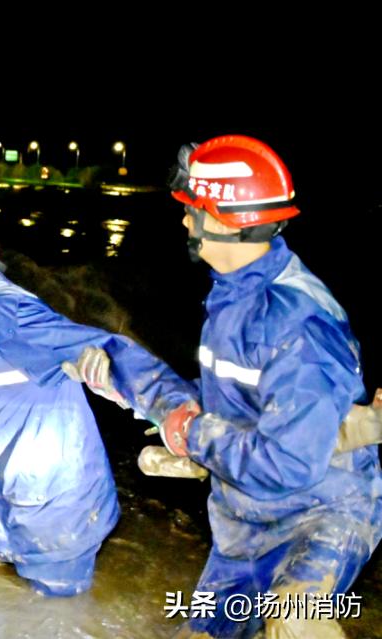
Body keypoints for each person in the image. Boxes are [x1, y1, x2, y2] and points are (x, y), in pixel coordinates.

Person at [71, 135, 382, 637]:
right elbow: (230, 398)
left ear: (220, 221)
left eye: (191, 211)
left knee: (294, 622)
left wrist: (192, 437)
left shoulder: (298, 325)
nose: (183, 221)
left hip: (319, 513)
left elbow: (286, 463)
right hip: (243, 518)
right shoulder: (236, 293)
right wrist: (122, 377)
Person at [0, 201, 196, 596]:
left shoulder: (7, 314)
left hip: (53, 515)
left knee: (52, 620)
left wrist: (176, 411)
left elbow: (106, 350)